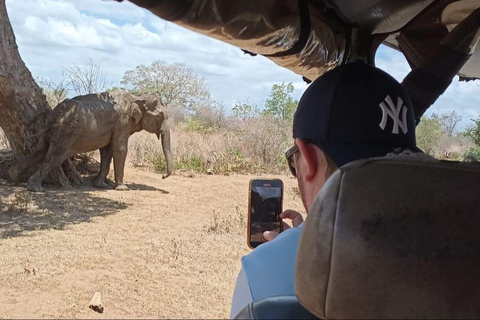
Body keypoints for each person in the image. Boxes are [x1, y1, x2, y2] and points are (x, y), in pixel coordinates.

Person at [229, 60, 421, 318]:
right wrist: (305, 235)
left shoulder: (260, 270)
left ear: (308, 159)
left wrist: (290, 249)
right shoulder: (456, 247)